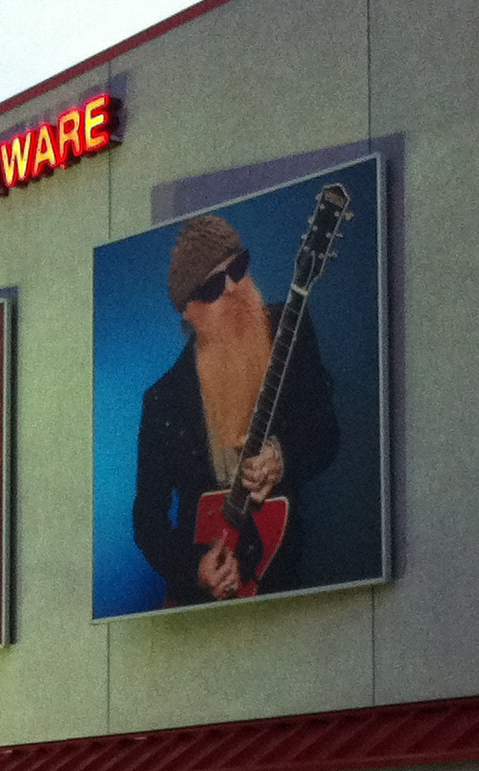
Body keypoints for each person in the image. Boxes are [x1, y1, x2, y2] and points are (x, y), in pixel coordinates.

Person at [131, 209, 339, 604]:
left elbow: (328, 433)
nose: (231, 288)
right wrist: (194, 567)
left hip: (289, 584)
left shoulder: (289, 332)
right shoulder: (163, 401)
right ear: (188, 312)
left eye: (238, 268)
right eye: (211, 287)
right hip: (203, 603)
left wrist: (284, 457)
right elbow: (148, 522)